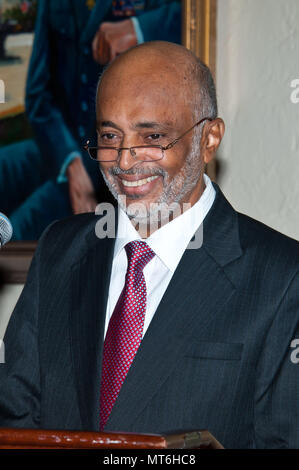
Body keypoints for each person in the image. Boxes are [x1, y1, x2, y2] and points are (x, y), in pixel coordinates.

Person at [0, 41, 299, 449]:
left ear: (209, 138)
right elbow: (16, 416)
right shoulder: (59, 249)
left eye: (152, 135)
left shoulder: (283, 276)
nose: (124, 162)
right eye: (109, 135)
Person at [0, 0, 181, 240]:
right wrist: (71, 164)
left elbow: (194, 17)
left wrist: (138, 28)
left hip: (119, 161)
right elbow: (39, 94)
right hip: (63, 148)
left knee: (17, 233)